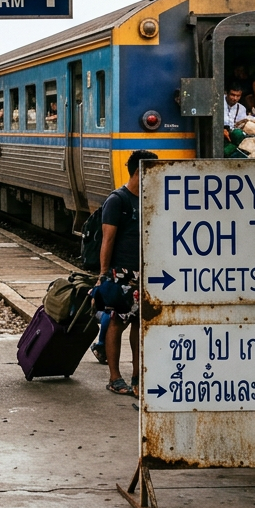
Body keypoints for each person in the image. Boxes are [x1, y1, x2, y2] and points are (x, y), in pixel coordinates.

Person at [98, 149, 157, 397]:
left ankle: (137, 376)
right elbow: (108, 239)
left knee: (138, 325)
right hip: (121, 273)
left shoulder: (149, 197)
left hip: (144, 271)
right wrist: (103, 274)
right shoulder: (117, 200)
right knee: (118, 322)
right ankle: (114, 377)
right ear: (138, 172)